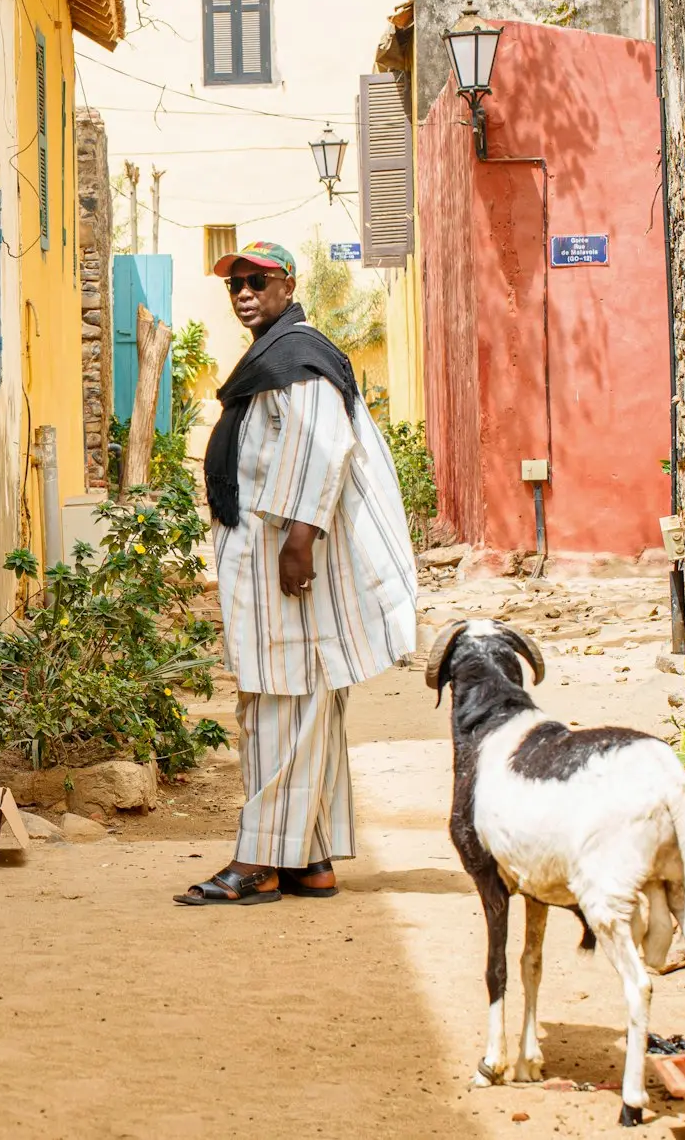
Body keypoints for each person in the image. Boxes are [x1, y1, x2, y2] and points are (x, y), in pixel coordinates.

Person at [176, 242, 418, 905]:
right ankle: (309, 860)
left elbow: (322, 449)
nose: (244, 293)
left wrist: (299, 542)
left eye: (258, 281)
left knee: (283, 702)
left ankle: (257, 862)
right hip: (268, 560)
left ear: (288, 285)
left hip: (286, 565)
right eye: (235, 286)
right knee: (291, 700)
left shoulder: (298, 361)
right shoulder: (276, 357)